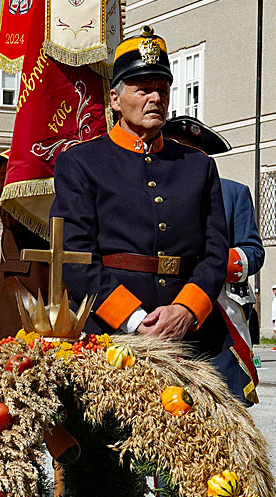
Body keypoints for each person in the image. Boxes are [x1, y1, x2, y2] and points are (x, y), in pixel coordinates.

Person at [54, 31, 229, 364]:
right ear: (115, 100)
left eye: (162, 90)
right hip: (108, 334)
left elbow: (215, 253)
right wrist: (135, 320)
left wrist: (186, 309)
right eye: (143, 89)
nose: (155, 98)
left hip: (191, 337)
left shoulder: (198, 166)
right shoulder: (80, 163)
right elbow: (74, 256)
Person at [164, 111, 265, 403]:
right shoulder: (152, 190)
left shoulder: (233, 193)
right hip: (165, 307)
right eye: (178, 150)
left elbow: (253, 251)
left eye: (194, 154)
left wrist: (215, 263)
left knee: (225, 405)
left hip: (218, 313)